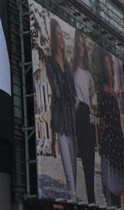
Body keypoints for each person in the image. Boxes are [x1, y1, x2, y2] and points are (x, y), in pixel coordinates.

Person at [45, 19, 77, 200]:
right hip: (60, 115)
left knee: (73, 159)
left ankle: (73, 195)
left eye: (61, 34)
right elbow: (53, 91)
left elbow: (73, 92)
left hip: (71, 115)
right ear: (53, 37)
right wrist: (52, 137)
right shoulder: (50, 62)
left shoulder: (69, 63)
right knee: (67, 161)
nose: (61, 37)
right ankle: (72, 194)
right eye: (57, 34)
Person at [98, 52, 124, 208]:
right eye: (107, 65)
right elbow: (103, 122)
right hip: (110, 145)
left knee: (121, 188)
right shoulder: (104, 94)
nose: (109, 68)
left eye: (110, 64)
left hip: (118, 143)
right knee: (112, 188)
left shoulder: (112, 92)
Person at [72, 31, 96, 203]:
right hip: (77, 110)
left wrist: (92, 108)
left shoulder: (88, 73)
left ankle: (91, 197)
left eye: (82, 43)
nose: (81, 47)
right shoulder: (71, 67)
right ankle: (80, 196)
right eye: (78, 43)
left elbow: (92, 94)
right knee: (80, 155)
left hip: (87, 112)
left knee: (89, 157)